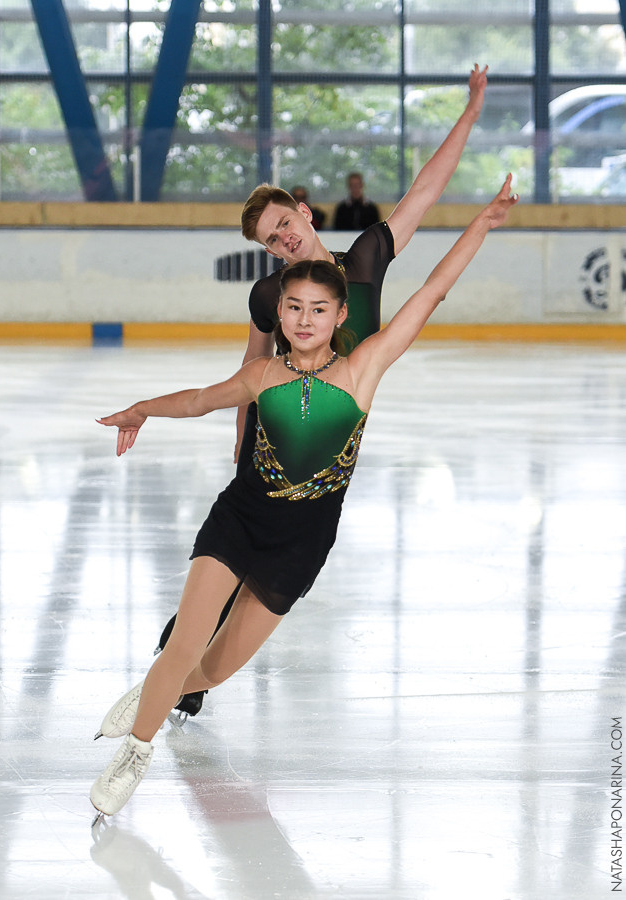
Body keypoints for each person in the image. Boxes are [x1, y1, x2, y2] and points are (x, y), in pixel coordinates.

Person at [90, 176, 519, 818]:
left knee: (211, 671)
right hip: (239, 519)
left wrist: (481, 225)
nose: (305, 319)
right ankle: (134, 754)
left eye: (320, 310)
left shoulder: (364, 367)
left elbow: (432, 291)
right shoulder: (262, 375)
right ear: (280, 312)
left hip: (301, 544)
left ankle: (151, 692)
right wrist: (139, 411)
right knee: (184, 645)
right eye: (294, 308)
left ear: (341, 316)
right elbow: (201, 400)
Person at [158, 62, 490, 715]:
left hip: (328, 425)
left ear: (303, 211)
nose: (281, 238)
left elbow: (424, 191)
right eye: (269, 239)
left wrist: (472, 111)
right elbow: (250, 364)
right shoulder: (269, 294)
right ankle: (188, 655)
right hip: (272, 432)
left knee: (277, 552)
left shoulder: (365, 260)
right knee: (247, 543)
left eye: (283, 223)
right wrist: (237, 439)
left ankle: (189, 655)